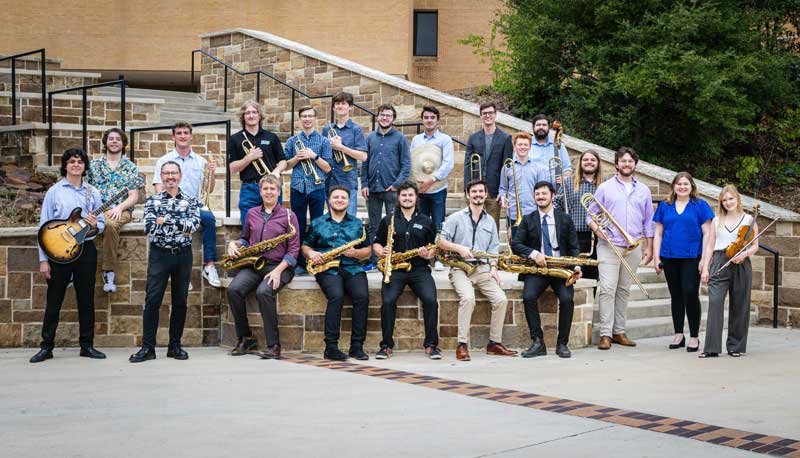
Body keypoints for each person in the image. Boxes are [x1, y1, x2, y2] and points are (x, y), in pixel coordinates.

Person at [30, 149, 106, 363]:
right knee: (54, 299)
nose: (76, 165)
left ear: (84, 167)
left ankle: (87, 345)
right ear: (65, 165)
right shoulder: (54, 191)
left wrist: (95, 225)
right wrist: (43, 259)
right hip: (57, 252)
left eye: (80, 162)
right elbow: (43, 227)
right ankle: (46, 347)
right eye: (72, 162)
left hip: (86, 250)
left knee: (86, 299)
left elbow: (101, 225)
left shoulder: (93, 192)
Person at [129, 161, 200, 363]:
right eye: (166, 173)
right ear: (161, 176)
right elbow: (150, 227)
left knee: (180, 301)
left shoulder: (191, 200)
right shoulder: (152, 201)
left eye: (174, 173)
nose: (170, 176)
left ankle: (174, 346)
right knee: (152, 301)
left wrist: (166, 220)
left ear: (180, 175)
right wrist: (179, 222)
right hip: (159, 255)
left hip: (183, 254)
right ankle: (147, 348)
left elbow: (193, 225)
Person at [438, 179, 517, 361]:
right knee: (468, 298)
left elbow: (493, 249)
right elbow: (440, 241)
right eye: (474, 191)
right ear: (467, 194)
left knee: (501, 299)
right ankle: (462, 344)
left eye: (481, 191)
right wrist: (459, 248)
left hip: (482, 269)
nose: (478, 195)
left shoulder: (490, 221)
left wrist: (494, 269)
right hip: (460, 268)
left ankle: (494, 343)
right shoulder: (456, 217)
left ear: (485, 195)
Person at [226, 174, 300, 360]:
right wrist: (234, 244)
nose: (269, 192)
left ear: (279, 192)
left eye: (272, 189)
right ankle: (245, 338)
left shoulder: (289, 216)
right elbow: (245, 238)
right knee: (234, 289)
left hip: (279, 266)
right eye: (265, 189)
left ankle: (274, 345)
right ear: (260, 192)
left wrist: (278, 270)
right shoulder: (252, 213)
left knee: (263, 292)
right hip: (255, 264)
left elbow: (294, 249)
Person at [588, 146, 654, 350]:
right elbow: (591, 214)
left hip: (633, 246)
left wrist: (649, 247)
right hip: (609, 245)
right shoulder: (605, 187)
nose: (626, 164)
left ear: (635, 164)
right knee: (607, 289)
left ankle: (619, 331)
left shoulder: (643, 190)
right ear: (616, 164)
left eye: (630, 161)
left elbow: (648, 221)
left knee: (623, 290)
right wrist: (598, 230)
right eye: (623, 161)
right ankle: (605, 334)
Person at [511, 181, 582, 358]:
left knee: (567, 299)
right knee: (528, 297)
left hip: (561, 267)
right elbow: (516, 244)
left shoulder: (565, 218)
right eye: (537, 194)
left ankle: (562, 343)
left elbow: (574, 247)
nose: (540, 197)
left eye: (544, 194)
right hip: (537, 268)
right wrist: (534, 254)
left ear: (552, 196)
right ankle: (538, 342)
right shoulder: (528, 219)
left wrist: (576, 266)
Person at [372, 181, 441, 359]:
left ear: (416, 197)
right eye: (404, 195)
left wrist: (428, 254)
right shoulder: (388, 220)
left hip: (419, 269)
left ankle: (431, 345)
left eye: (411, 195)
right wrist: (382, 251)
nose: (407, 198)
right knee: (387, 302)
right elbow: (376, 243)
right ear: (399, 197)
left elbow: (434, 247)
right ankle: (386, 345)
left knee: (431, 300)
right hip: (395, 268)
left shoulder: (426, 221)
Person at [303, 186, 371, 361]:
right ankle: (331, 347)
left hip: (352, 267)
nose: (339, 200)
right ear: (329, 200)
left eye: (343, 197)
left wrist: (356, 253)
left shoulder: (357, 223)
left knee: (362, 296)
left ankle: (357, 347)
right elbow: (305, 245)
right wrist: (311, 253)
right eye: (336, 197)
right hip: (327, 268)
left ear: (348, 201)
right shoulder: (318, 222)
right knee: (336, 296)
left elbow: (368, 251)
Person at [152, 122, 221, 288]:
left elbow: (208, 189)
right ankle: (180, 273)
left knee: (209, 219)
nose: (182, 136)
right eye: (179, 133)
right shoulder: (164, 160)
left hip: (194, 205)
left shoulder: (201, 161)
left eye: (185, 133)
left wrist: (212, 172)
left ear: (191, 136)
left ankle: (210, 266)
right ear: (173, 136)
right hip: (172, 204)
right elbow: (158, 187)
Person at [653, 172, 714, 352]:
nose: (682, 187)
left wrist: (704, 260)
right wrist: (656, 257)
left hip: (691, 256)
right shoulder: (665, 206)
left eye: (686, 184)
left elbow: (707, 234)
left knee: (690, 292)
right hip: (669, 256)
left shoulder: (700, 206)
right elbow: (658, 233)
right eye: (679, 184)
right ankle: (678, 334)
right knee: (676, 295)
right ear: (673, 186)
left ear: (691, 186)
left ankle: (694, 336)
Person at [700, 185, 758, 358]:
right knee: (715, 303)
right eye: (724, 200)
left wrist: (745, 253)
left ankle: (735, 346)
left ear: (737, 199)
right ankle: (711, 348)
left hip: (741, 263)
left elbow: (755, 245)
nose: (728, 202)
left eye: (731, 199)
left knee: (740, 305)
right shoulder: (716, 221)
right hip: (719, 261)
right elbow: (710, 246)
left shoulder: (749, 219)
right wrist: (705, 268)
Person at [87, 128, 140, 293]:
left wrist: (119, 207)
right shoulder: (94, 165)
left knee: (110, 224)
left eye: (118, 139)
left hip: (121, 209)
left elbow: (134, 195)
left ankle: (108, 271)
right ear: (106, 142)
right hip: (97, 209)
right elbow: (86, 190)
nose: (115, 141)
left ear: (123, 143)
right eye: (111, 138)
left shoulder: (130, 167)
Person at [283, 106, 333, 274]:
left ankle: (317, 260)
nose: (307, 119)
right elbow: (285, 165)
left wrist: (314, 156)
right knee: (298, 225)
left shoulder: (324, 141)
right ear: (300, 118)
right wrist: (297, 158)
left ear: (315, 118)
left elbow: (327, 168)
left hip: (317, 187)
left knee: (317, 225)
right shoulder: (292, 141)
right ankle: (299, 263)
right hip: (298, 187)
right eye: (304, 116)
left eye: (310, 116)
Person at [362, 103, 410, 265]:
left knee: (393, 225)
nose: (384, 118)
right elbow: (365, 164)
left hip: (392, 190)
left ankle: (393, 258)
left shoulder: (400, 139)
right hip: (373, 189)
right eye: (382, 115)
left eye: (388, 115)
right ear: (378, 117)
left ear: (393, 119)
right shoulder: (370, 138)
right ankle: (375, 260)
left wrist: (397, 184)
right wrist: (364, 184)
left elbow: (406, 165)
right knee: (374, 225)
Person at [227, 100, 287, 223]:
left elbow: (283, 161)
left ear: (260, 116)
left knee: (275, 226)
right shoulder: (235, 139)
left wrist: (276, 171)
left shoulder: (271, 137)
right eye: (247, 113)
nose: (251, 115)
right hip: (249, 189)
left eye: (254, 112)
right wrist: (249, 157)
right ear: (243, 117)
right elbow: (232, 168)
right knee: (249, 228)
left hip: (271, 187)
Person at [410, 106, 454, 271]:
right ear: (422, 120)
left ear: (437, 120)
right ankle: (423, 257)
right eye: (426, 117)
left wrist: (432, 179)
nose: (429, 120)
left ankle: (439, 257)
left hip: (437, 189)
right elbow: (413, 162)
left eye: (432, 117)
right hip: (420, 189)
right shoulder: (416, 140)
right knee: (421, 224)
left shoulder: (445, 140)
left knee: (438, 224)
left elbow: (448, 163)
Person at [464, 102, 513, 230]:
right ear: (480, 116)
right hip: (475, 189)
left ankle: (491, 251)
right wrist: (466, 188)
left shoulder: (505, 138)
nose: (487, 116)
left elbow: (507, 166)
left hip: (494, 191)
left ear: (495, 115)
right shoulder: (473, 138)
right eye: (484, 113)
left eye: (490, 113)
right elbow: (468, 164)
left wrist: (504, 191)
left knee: (491, 228)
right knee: (471, 226)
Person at [322, 92, 368, 216]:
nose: (340, 106)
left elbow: (363, 156)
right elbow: (323, 155)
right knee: (332, 220)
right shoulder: (327, 129)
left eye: (344, 103)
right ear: (333, 107)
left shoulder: (356, 129)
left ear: (350, 107)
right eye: (337, 104)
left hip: (348, 181)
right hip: (330, 180)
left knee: (349, 221)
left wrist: (341, 148)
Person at [498, 132, 549, 238]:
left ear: (530, 147)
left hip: (533, 213)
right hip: (513, 213)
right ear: (514, 147)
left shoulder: (537, 168)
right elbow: (503, 188)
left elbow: (542, 191)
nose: (523, 147)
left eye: (525, 145)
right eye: (520, 144)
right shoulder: (507, 167)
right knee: (515, 247)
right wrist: (503, 198)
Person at [561, 149, 602, 279]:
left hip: (598, 236)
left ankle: (590, 299)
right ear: (580, 163)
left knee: (593, 274)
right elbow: (556, 204)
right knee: (573, 273)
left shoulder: (606, 184)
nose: (589, 162)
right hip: (575, 235)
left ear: (598, 163)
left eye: (592, 160)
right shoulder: (569, 182)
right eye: (585, 159)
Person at [530, 114, 572, 180]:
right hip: (532, 188)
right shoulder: (526, 145)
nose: (541, 127)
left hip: (555, 189)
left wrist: (564, 178)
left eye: (544, 125)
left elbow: (567, 168)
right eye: (538, 125)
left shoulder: (559, 145)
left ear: (549, 127)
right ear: (533, 127)